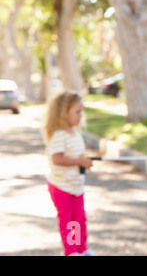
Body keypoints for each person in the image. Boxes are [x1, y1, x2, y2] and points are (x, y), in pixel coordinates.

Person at [43, 90, 95, 256]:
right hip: (61, 186)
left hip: (76, 186)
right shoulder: (59, 135)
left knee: (79, 219)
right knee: (68, 220)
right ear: (63, 113)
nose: (80, 115)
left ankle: (81, 249)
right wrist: (79, 161)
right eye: (77, 111)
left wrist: (83, 160)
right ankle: (71, 251)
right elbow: (57, 159)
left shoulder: (75, 134)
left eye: (81, 111)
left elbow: (76, 156)